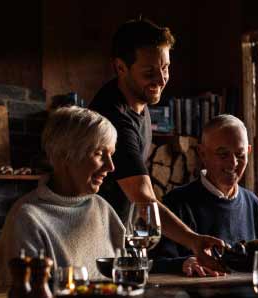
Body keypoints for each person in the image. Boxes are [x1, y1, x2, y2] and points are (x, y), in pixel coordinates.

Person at [89, 18, 224, 271]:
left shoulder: (139, 102)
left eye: (166, 68)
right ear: (120, 67)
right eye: (149, 72)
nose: (161, 79)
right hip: (94, 238)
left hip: (118, 236)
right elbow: (143, 197)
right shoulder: (114, 117)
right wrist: (194, 241)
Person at [0, 106, 123, 286]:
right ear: (63, 155)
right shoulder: (27, 218)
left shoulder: (103, 209)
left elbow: (123, 279)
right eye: (99, 153)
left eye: (111, 155)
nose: (111, 167)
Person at [151, 114, 258, 276]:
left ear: (249, 151)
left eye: (240, 155)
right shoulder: (176, 202)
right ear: (202, 153)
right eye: (223, 154)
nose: (233, 163)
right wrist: (183, 263)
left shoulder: (252, 203)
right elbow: (154, 264)